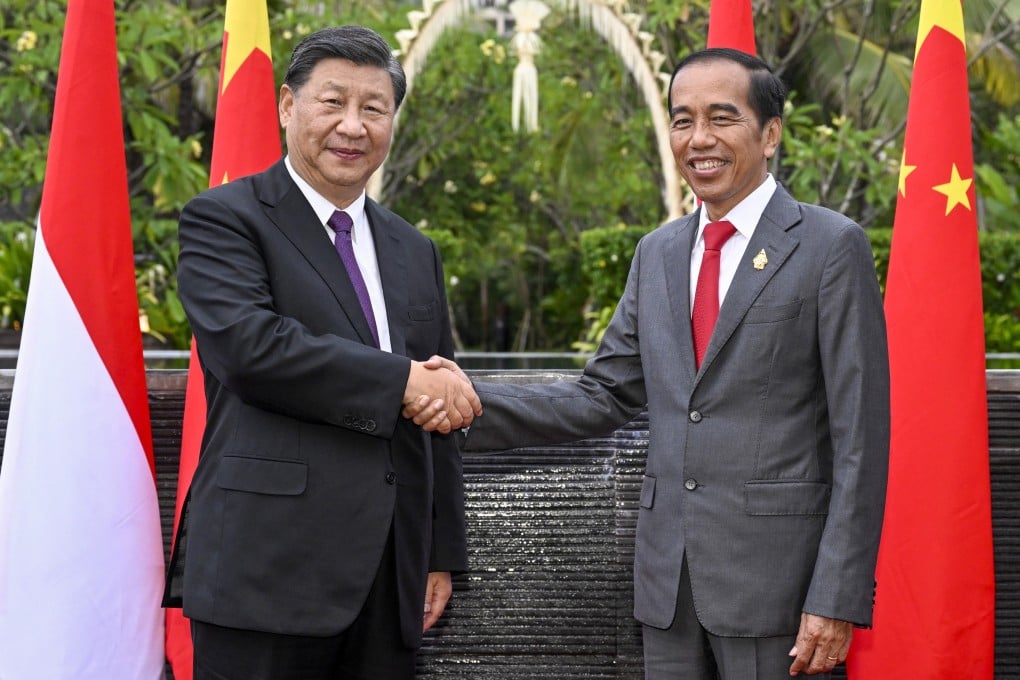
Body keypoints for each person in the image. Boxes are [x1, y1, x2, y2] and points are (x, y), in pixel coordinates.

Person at [407, 47, 890, 679]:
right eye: (682, 119)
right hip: (669, 583)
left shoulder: (830, 245)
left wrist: (836, 595)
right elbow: (602, 393)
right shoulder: (657, 253)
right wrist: (466, 399)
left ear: (770, 134)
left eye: (722, 118)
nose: (700, 139)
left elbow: (862, 435)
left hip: (781, 586)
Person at [163, 25, 482, 680]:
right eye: (332, 102)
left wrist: (440, 550)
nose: (352, 126)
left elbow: (439, 399)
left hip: (389, 576)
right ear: (288, 106)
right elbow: (252, 349)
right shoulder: (225, 218)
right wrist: (402, 383)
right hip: (265, 571)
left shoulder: (413, 249)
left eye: (374, 108)